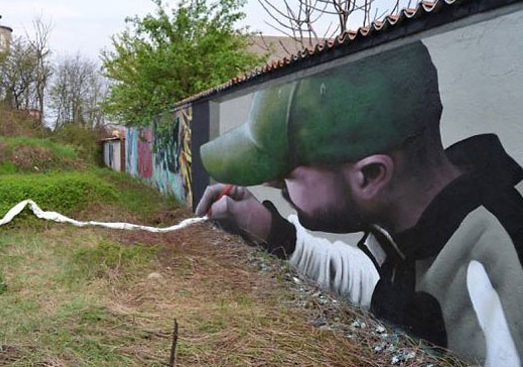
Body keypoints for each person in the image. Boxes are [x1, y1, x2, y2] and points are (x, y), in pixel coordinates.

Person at [195, 42, 523, 367]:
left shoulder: (491, 268)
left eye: (285, 177)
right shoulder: (417, 231)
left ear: (370, 175)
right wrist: (271, 230)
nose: (273, 186)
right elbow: (372, 285)